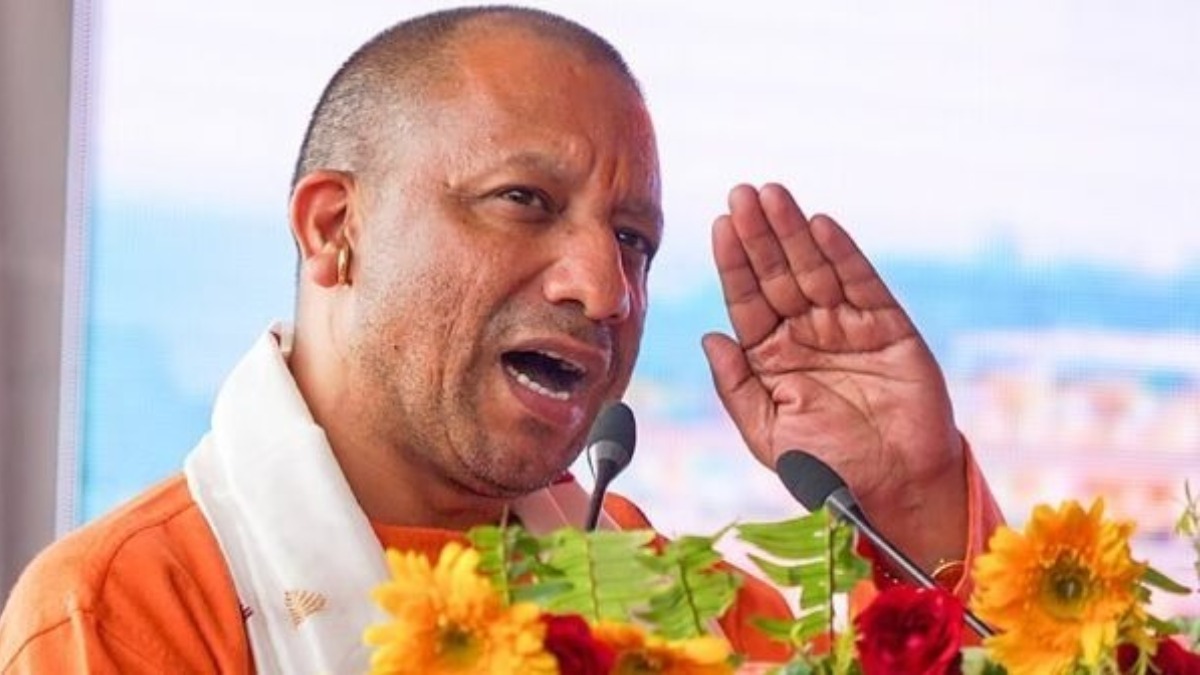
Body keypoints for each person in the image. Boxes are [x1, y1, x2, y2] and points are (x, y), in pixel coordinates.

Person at [0, 6, 1002, 673]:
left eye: (633, 240)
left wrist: (912, 499)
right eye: (524, 200)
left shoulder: (651, 588)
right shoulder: (129, 609)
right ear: (334, 228)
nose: (604, 291)